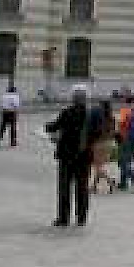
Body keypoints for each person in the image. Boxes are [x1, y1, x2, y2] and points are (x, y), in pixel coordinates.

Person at [43, 85, 94, 227]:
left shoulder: (67, 112)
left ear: (73, 98)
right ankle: (81, 217)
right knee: (82, 187)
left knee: (64, 187)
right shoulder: (90, 115)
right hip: (84, 156)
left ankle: (63, 218)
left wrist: (48, 127)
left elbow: (53, 127)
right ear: (85, 98)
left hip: (66, 155)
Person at [116, 95, 134, 191]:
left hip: (125, 137)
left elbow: (121, 123)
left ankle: (133, 176)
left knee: (121, 160)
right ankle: (123, 183)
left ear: (126, 102)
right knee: (127, 160)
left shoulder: (125, 110)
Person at [89, 100, 117, 194]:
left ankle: (110, 181)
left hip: (99, 143)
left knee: (98, 167)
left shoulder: (100, 118)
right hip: (109, 143)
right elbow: (114, 131)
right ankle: (94, 186)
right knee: (99, 166)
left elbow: (95, 130)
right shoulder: (111, 118)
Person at [0, 85, 21, 149]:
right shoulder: (15, 96)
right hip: (12, 112)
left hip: (4, 112)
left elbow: (1, 104)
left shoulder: (4, 96)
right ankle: (13, 142)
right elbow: (16, 105)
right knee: (13, 127)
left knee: (2, 127)